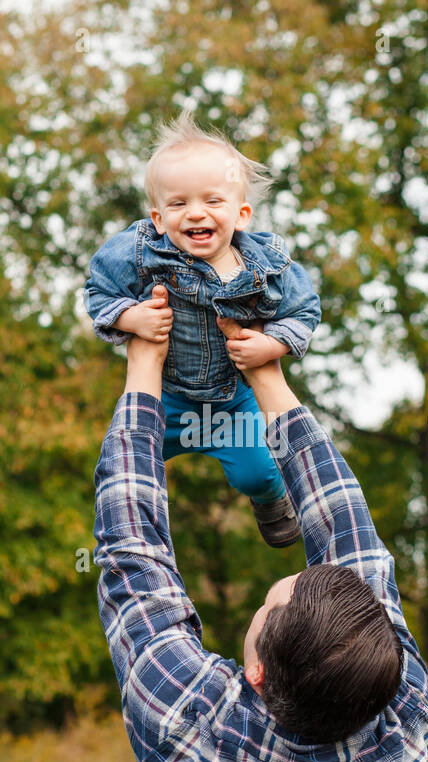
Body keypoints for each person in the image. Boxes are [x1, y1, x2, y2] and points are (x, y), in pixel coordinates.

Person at [91, 319, 428, 762]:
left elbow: (132, 549)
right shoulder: (406, 730)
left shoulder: (188, 722)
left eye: (274, 602)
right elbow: (134, 559)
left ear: (256, 673)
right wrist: (264, 373)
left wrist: (144, 365)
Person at [83, 110, 321, 547]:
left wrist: (271, 346)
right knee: (127, 457)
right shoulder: (138, 251)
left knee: (259, 471)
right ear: (157, 218)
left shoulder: (267, 265)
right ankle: (134, 529)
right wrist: (130, 317)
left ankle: (271, 500)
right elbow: (97, 292)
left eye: (212, 201)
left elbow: (303, 313)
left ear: (241, 214)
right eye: (178, 204)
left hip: (232, 402)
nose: (195, 214)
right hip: (166, 396)